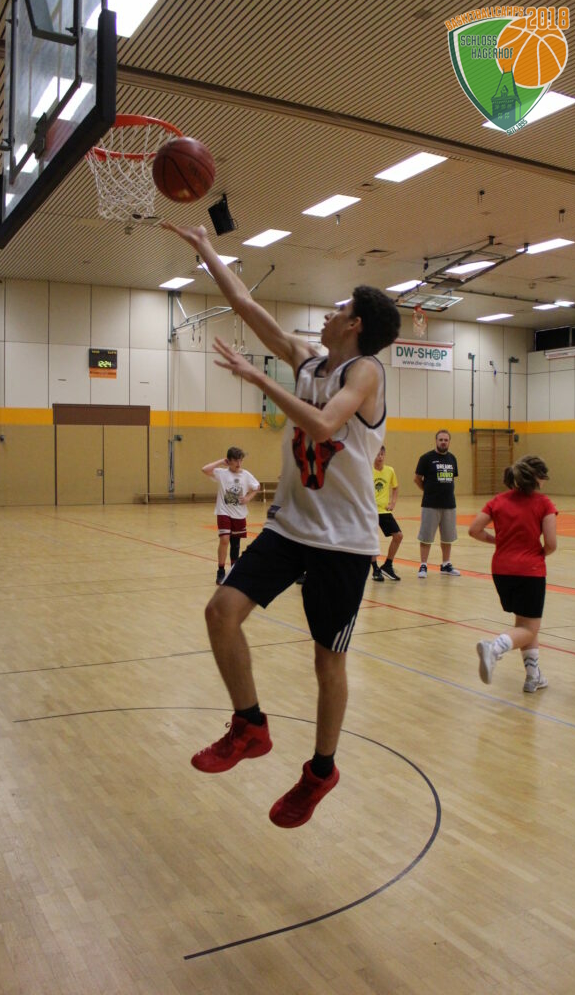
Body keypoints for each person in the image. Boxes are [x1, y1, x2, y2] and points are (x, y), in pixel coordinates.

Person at [162, 220, 400, 828]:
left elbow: (323, 425)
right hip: (290, 527)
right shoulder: (309, 359)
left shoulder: (365, 372)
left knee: (327, 662)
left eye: (339, 309)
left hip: (343, 543)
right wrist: (207, 250)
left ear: (356, 325)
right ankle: (250, 725)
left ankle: (321, 771)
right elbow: (247, 305)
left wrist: (259, 379)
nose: (329, 313)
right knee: (221, 611)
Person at [468, 455, 557, 693]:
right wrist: (539, 554)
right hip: (530, 571)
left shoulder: (498, 501)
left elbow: (474, 530)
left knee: (524, 624)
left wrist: (497, 541)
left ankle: (533, 677)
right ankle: (494, 648)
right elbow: (551, 543)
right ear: (537, 478)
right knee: (530, 629)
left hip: (501, 571)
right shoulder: (544, 503)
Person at [202, 447, 260, 584]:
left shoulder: (246, 475)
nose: (239, 463)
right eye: (235, 460)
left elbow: (256, 487)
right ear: (229, 461)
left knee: (235, 544)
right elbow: (205, 469)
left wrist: (248, 498)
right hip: (224, 512)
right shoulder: (222, 473)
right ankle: (221, 571)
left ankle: (233, 572)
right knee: (224, 539)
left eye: (240, 460)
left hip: (239, 514)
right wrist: (220, 462)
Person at [414, 429, 460, 578]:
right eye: (441, 440)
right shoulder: (426, 458)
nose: (443, 442)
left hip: (449, 505)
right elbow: (417, 479)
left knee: (447, 537)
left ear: (449, 442)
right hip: (430, 504)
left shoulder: (452, 458)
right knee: (426, 537)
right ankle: (423, 565)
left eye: (446, 440)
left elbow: (452, 479)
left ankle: (446, 564)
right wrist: (427, 490)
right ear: (436, 441)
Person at [370, 445, 403, 581]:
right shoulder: (367, 470)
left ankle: (388, 565)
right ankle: (375, 569)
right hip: (370, 511)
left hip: (384, 511)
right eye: (377, 454)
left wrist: (392, 503)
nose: (380, 457)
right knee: (372, 540)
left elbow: (395, 488)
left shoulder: (390, 471)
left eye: (382, 454)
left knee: (398, 536)